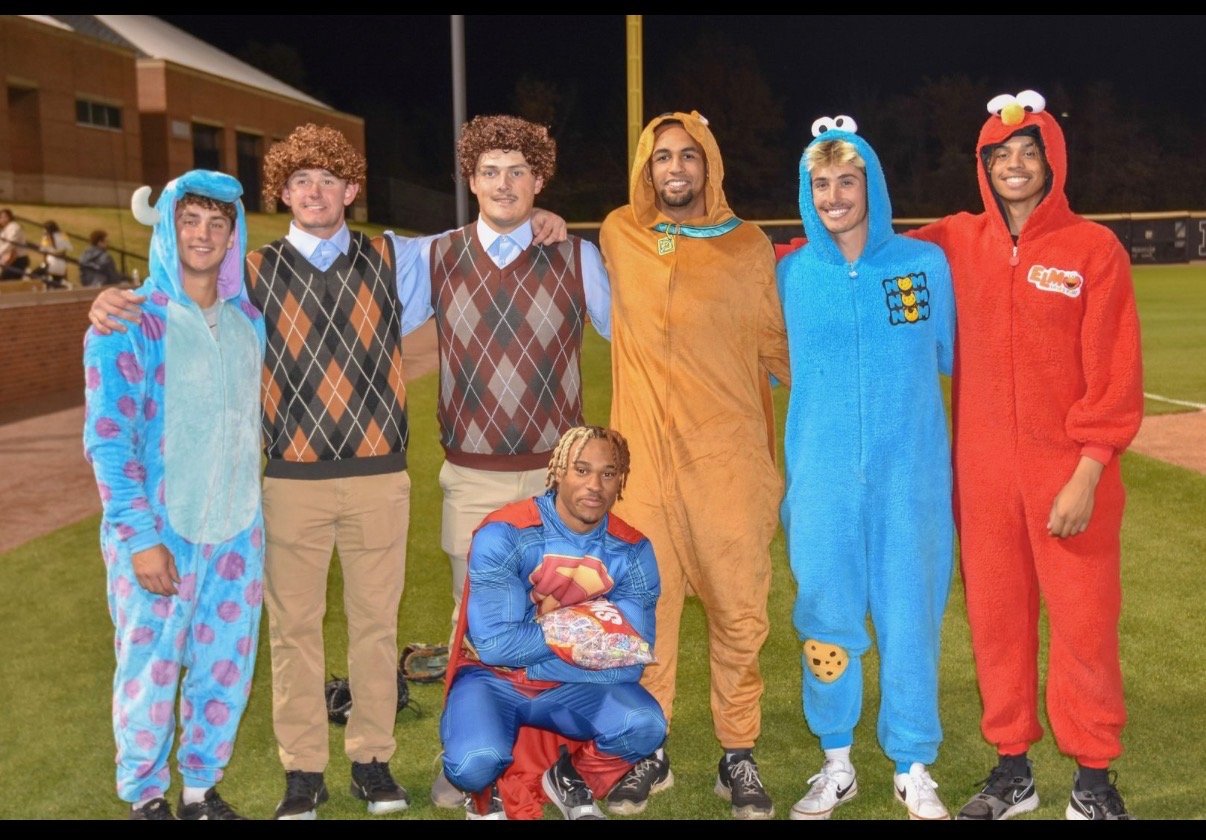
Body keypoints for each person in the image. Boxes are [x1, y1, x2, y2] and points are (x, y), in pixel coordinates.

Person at [88, 122, 568, 820]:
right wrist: (110, 299)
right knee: (294, 631)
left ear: (350, 189)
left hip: (380, 476)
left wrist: (543, 215)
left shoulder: (397, 257)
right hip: (289, 483)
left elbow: (495, 228)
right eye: (299, 181)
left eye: (327, 180)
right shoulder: (248, 270)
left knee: (376, 626)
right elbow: (178, 277)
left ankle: (372, 758)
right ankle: (303, 770)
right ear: (282, 192)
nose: (314, 193)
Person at [910, 90, 1143, 820]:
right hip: (982, 477)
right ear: (984, 167)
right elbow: (871, 250)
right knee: (998, 625)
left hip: (1070, 475)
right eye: (999, 156)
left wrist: (1090, 466)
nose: (1014, 165)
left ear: (1050, 160)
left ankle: (1094, 778)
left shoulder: (1092, 249)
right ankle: (1013, 769)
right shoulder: (956, 240)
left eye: (1026, 153)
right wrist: (768, 257)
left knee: (1083, 626)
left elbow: (1115, 370)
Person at [598, 110, 791, 819]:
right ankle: (649, 752)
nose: (674, 169)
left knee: (740, 615)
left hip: (728, 466)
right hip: (642, 468)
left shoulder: (748, 247)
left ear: (709, 163)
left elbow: (781, 348)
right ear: (646, 169)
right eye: (661, 158)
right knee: (643, 615)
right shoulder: (620, 233)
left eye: (688, 156)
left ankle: (737, 754)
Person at [776, 117, 956, 820]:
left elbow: (954, 358)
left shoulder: (921, 265)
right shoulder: (791, 274)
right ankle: (837, 760)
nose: (833, 195)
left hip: (910, 486)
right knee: (825, 617)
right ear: (806, 191)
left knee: (911, 617)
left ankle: (913, 763)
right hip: (820, 486)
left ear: (872, 186)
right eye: (820, 183)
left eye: (847, 181)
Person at [83, 170, 266, 820]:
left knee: (224, 666)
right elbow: (108, 440)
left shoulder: (249, 322)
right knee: (150, 669)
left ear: (233, 232)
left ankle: (198, 793)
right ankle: (146, 798)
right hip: (159, 533)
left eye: (218, 222)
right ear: (168, 226)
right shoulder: (129, 321)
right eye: (191, 220)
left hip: (237, 531)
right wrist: (139, 537)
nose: (204, 234)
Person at [431, 114, 611, 629]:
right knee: (476, 625)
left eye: (518, 171)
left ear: (539, 181)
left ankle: (554, 713)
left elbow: (634, 336)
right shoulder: (437, 255)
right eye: (490, 171)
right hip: (471, 477)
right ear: (471, 179)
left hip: (557, 478)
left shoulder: (578, 257)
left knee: (560, 622)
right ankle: (477, 712)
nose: (503, 184)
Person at [441, 425, 665, 820]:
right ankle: (487, 790)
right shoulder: (507, 532)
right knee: (472, 764)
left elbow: (630, 662)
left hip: (568, 689)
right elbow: (494, 648)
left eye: (608, 474)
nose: (594, 485)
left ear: (620, 481)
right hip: (494, 681)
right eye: (581, 470)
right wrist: (593, 627)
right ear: (558, 471)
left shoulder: (632, 551)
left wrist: (549, 631)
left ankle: (568, 777)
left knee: (645, 725)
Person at [36, 220, 72, 288]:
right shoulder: (63, 236)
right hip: (61, 266)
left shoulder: (46, 237)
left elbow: (44, 253)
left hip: (51, 264)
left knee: (34, 275)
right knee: (56, 283)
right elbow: (64, 253)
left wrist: (45, 263)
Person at [0, 208, 30, 280]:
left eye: (4, 217)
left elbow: (10, 243)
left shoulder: (13, 227)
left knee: (6, 281)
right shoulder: (5, 229)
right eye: (1, 217)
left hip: (18, 260)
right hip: (10, 259)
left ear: (9, 217)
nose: (2, 219)